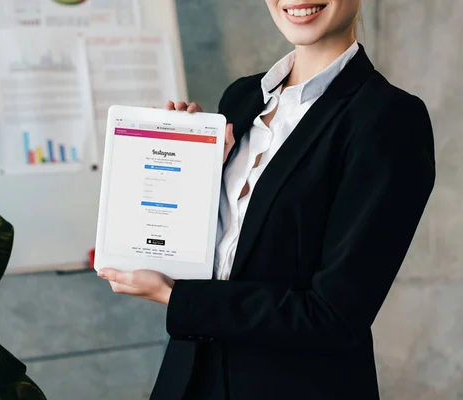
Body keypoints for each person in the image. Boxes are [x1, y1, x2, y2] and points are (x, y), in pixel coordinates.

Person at [97, 0, 436, 398]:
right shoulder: (242, 98)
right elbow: (225, 258)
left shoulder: (389, 119)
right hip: (189, 379)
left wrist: (173, 297)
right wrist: (189, 169)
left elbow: (335, 317)